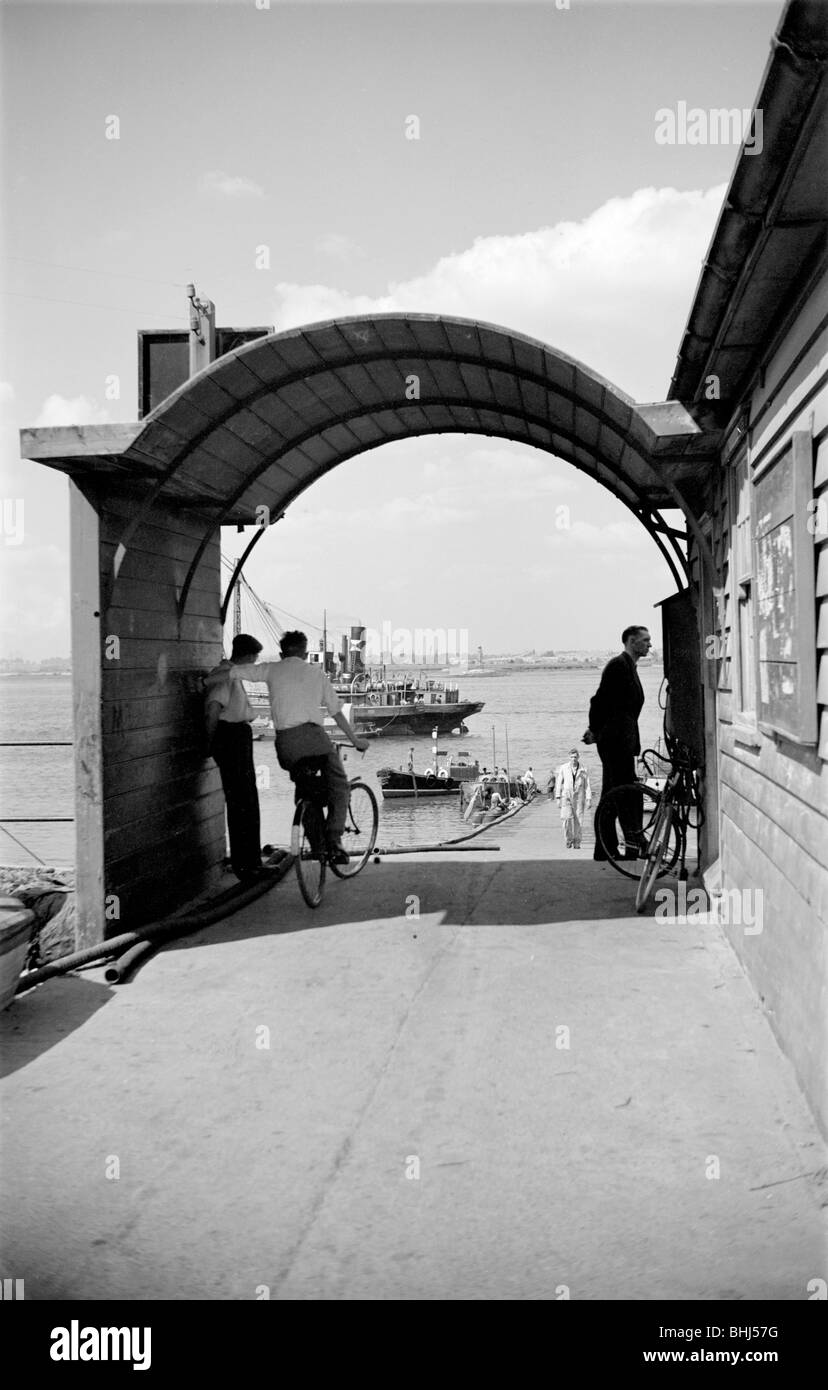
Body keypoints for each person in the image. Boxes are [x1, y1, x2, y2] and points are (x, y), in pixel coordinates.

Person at [228, 630, 369, 864]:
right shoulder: (316, 673)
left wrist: (212, 675)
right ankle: (334, 843)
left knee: (305, 790)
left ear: (283, 653)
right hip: (315, 739)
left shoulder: (271, 669)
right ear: (305, 652)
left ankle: (317, 846)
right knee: (339, 785)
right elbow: (336, 712)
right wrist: (356, 741)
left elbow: (233, 671)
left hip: (286, 745)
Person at [584, 625, 651, 861]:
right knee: (619, 794)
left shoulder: (628, 666)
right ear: (631, 641)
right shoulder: (618, 666)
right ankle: (617, 847)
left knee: (617, 794)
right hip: (615, 742)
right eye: (645, 640)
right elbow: (599, 701)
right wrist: (594, 729)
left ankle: (613, 848)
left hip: (622, 740)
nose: (649, 645)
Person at [204, 634, 265, 882]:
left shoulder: (231, 675)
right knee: (242, 802)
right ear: (248, 657)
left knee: (247, 801)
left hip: (238, 736)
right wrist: (209, 744)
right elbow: (213, 710)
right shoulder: (225, 676)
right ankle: (246, 866)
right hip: (230, 737)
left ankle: (252, 863)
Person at [554, 748, 592, 849]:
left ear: (578, 757)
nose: (573, 759)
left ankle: (577, 841)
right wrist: (558, 797)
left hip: (579, 796)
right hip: (566, 795)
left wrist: (589, 799)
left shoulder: (583, 769)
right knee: (566, 818)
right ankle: (568, 839)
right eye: (571, 757)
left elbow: (587, 785)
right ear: (569, 757)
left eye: (575, 757)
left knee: (578, 820)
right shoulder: (564, 767)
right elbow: (559, 783)